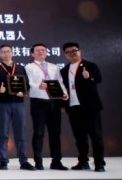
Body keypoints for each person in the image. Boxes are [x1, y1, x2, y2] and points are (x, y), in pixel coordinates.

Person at [60, 42, 105, 172]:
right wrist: (63, 105)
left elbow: (98, 79)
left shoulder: (90, 65)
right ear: (65, 55)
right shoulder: (63, 70)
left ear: (79, 51)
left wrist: (89, 77)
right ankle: (83, 161)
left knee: (96, 136)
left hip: (90, 107)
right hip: (73, 107)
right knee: (79, 137)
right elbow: (63, 89)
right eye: (68, 52)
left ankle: (99, 162)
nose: (72, 53)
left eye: (74, 50)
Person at [0, 45, 35, 170]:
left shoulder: (20, 68)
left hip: (18, 104)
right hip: (3, 104)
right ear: (0, 54)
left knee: (20, 133)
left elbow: (27, 85)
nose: (6, 54)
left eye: (8, 51)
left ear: (12, 53)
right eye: (3, 52)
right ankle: (3, 160)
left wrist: (23, 92)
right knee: (3, 133)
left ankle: (23, 160)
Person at [26, 43, 69, 170]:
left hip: (54, 102)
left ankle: (56, 161)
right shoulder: (29, 67)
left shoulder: (54, 67)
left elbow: (60, 82)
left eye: (43, 50)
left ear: (46, 52)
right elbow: (28, 83)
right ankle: (38, 161)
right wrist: (38, 86)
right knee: (39, 132)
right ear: (32, 54)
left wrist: (64, 93)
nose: (41, 52)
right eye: (38, 50)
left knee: (55, 133)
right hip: (38, 102)